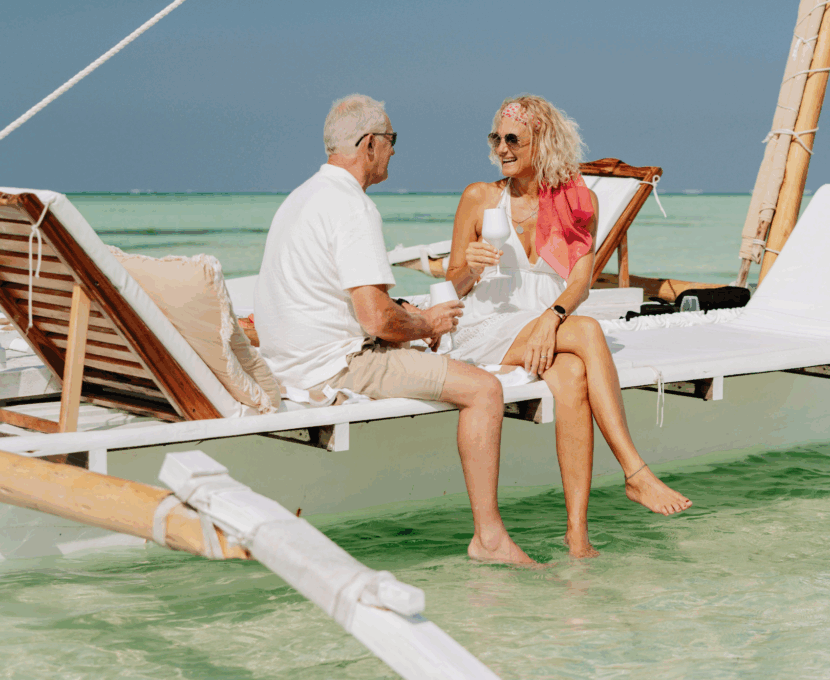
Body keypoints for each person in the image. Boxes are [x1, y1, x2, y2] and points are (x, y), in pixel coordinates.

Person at [254, 94, 533, 565]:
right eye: (391, 141)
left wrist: (406, 318)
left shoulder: (302, 197)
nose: (394, 151)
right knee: (485, 389)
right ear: (368, 145)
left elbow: (354, 305)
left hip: (291, 359)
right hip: (335, 368)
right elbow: (377, 320)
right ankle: (489, 539)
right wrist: (426, 322)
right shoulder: (353, 207)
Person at [446, 95, 692, 559]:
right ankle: (634, 471)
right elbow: (454, 284)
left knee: (574, 376)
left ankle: (577, 535)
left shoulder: (578, 202)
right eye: (495, 138)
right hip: (488, 324)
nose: (501, 148)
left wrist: (549, 319)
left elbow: (581, 278)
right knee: (589, 332)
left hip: (546, 324)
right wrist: (471, 268)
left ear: (542, 140)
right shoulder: (479, 197)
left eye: (513, 138)